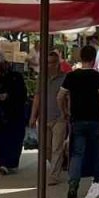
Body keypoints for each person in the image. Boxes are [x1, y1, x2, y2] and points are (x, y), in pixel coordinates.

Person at [59, 45, 99, 198]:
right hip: (96, 120)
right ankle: (97, 184)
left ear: (80, 58)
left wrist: (64, 112)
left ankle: (73, 185)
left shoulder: (71, 76)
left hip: (77, 120)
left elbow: (59, 96)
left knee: (76, 154)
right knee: (97, 153)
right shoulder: (98, 77)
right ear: (94, 59)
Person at [29, 48, 68, 185]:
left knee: (57, 147)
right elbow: (37, 97)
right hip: (44, 117)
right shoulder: (41, 78)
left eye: (52, 62)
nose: (50, 65)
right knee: (46, 148)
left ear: (58, 63)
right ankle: (58, 164)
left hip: (60, 118)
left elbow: (69, 97)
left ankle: (54, 175)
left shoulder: (65, 78)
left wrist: (67, 113)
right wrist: (33, 116)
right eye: (47, 63)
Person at [0, 60, 28, 174]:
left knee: (14, 139)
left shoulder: (16, 78)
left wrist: (8, 96)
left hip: (15, 115)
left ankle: (12, 162)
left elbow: (22, 94)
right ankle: (3, 162)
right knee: (1, 140)